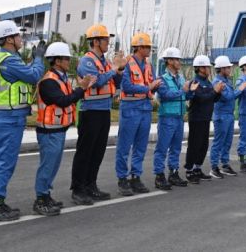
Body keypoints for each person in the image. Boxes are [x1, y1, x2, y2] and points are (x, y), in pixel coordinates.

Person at [0, 20, 45, 222]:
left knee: (0, 161)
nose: (21, 39)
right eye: (18, 36)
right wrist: (39, 58)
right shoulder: (9, 61)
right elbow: (34, 75)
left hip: (4, 116)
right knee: (5, 163)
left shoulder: (6, 59)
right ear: (9, 39)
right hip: (9, 119)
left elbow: (23, 75)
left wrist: (32, 61)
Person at [34, 42, 96, 216]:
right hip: (49, 131)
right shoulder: (49, 81)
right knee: (47, 166)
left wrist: (81, 88)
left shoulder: (61, 78)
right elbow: (63, 101)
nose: (69, 61)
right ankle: (40, 199)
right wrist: (81, 88)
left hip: (58, 129)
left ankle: (46, 195)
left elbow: (69, 97)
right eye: (66, 58)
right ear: (57, 60)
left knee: (52, 166)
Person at [70, 24, 126, 205]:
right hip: (90, 111)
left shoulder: (105, 62)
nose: (108, 43)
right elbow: (97, 81)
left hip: (103, 111)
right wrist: (113, 69)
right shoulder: (87, 61)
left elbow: (117, 82)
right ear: (95, 41)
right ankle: (78, 189)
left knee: (98, 151)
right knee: (85, 151)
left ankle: (90, 185)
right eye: (105, 40)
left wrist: (120, 69)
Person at [116, 32, 161, 196]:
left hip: (145, 108)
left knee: (141, 146)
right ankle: (122, 178)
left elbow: (152, 85)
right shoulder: (127, 63)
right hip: (130, 107)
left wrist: (155, 87)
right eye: (147, 47)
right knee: (124, 146)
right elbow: (126, 86)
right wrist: (148, 88)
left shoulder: (149, 65)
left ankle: (135, 176)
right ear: (139, 47)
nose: (149, 50)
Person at [153, 47, 195, 190]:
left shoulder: (181, 78)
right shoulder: (162, 79)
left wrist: (191, 92)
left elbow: (185, 96)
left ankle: (174, 173)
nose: (179, 62)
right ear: (169, 61)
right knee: (162, 148)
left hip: (179, 117)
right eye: (176, 59)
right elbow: (166, 95)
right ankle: (159, 176)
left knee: (176, 147)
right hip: (167, 117)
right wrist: (183, 90)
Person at [184, 55, 224, 183]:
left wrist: (218, 92)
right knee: (194, 145)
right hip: (196, 118)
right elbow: (201, 98)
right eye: (207, 67)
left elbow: (212, 99)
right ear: (200, 68)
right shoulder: (195, 82)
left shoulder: (208, 82)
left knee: (203, 145)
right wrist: (214, 92)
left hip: (206, 117)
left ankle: (198, 168)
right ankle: (189, 170)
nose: (209, 69)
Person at [210, 55, 246, 179]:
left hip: (229, 115)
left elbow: (231, 95)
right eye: (227, 67)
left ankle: (225, 164)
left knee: (227, 142)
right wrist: (240, 89)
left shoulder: (227, 81)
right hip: (221, 115)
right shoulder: (218, 82)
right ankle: (214, 167)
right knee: (219, 142)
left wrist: (237, 91)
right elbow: (228, 97)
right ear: (221, 69)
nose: (229, 69)